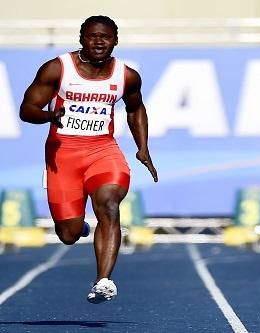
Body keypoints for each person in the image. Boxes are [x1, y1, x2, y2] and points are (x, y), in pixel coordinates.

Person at [19, 15, 158, 304]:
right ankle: (78, 225)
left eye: (105, 36)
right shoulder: (58, 68)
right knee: (68, 234)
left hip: (103, 151)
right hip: (63, 156)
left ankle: (103, 280)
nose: (98, 41)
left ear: (115, 40)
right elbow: (27, 108)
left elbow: (136, 108)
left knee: (109, 204)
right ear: (82, 38)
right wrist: (48, 115)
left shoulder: (126, 75)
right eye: (92, 36)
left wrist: (142, 148)